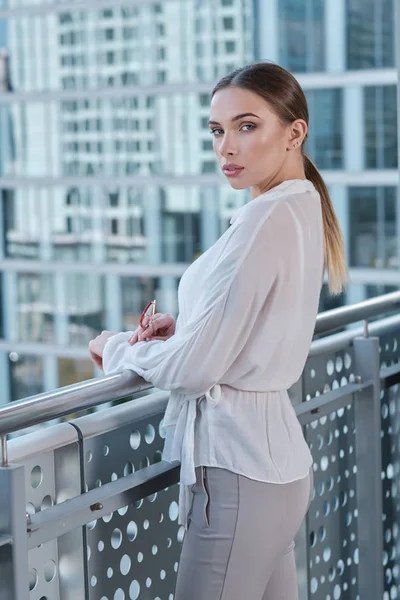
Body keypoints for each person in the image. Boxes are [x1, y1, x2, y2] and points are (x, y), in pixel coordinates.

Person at [88, 62, 347, 600]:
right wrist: (188, 327)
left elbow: (195, 369)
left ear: (293, 132)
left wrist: (117, 349)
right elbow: (258, 320)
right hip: (276, 471)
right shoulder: (300, 206)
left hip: (237, 475)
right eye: (217, 130)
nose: (226, 146)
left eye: (247, 126)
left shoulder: (263, 221)